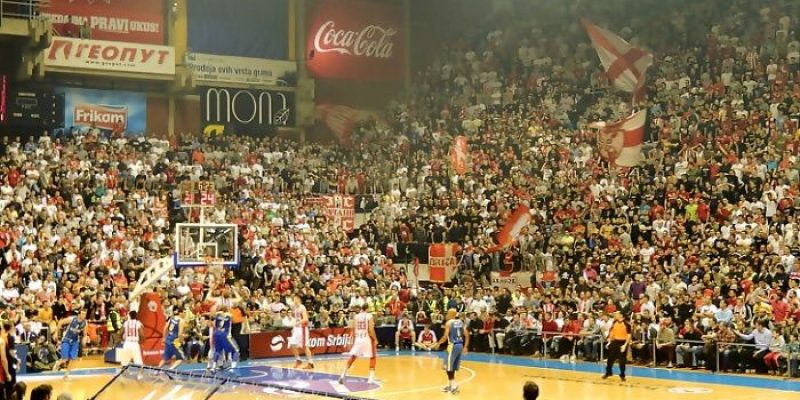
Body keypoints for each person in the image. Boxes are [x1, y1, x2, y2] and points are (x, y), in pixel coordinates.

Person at [339, 303, 378, 384]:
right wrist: (375, 339)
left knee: (353, 356)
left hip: (358, 338)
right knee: (373, 357)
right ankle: (370, 379)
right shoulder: (369, 316)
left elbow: (353, 329)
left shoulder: (356, 316)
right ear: (367, 309)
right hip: (367, 338)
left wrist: (351, 339)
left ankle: (343, 374)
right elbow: (370, 330)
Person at [434, 309, 469, 394]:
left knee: (448, 367)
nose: (446, 315)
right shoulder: (460, 322)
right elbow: (467, 334)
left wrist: (438, 343)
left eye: (447, 314)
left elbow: (445, 336)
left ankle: (454, 386)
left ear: (450, 314)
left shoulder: (449, 323)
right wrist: (465, 346)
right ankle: (449, 385)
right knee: (452, 366)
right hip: (460, 345)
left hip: (452, 346)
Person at [53, 310, 88, 379]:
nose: (84, 315)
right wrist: (56, 333)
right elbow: (60, 322)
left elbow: (84, 334)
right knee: (65, 358)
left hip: (75, 341)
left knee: (73, 359)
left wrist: (84, 339)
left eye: (85, 314)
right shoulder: (72, 319)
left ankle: (67, 374)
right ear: (79, 314)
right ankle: (58, 363)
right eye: (83, 314)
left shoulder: (85, 323)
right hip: (66, 339)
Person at [602, 312, 631, 381]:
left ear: (621, 315)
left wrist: (625, 345)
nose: (615, 315)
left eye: (617, 314)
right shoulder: (614, 322)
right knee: (610, 359)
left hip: (623, 342)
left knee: (622, 361)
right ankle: (608, 372)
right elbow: (612, 333)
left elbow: (629, 335)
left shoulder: (627, 324)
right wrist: (609, 342)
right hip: (615, 342)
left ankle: (622, 374)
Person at [289, 294, 314, 369]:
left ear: (299, 299)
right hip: (297, 329)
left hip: (302, 329)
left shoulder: (302, 307)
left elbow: (305, 319)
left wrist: (297, 323)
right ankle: (298, 360)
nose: (294, 300)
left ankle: (310, 363)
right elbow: (296, 317)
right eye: (294, 298)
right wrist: (292, 319)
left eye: (295, 298)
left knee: (305, 346)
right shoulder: (294, 307)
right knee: (292, 344)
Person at [210, 306, 239, 371]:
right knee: (236, 350)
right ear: (227, 310)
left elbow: (211, 316)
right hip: (225, 335)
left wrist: (218, 312)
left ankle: (213, 367)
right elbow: (234, 320)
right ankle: (232, 368)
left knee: (217, 351)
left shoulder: (217, 315)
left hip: (217, 334)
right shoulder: (229, 315)